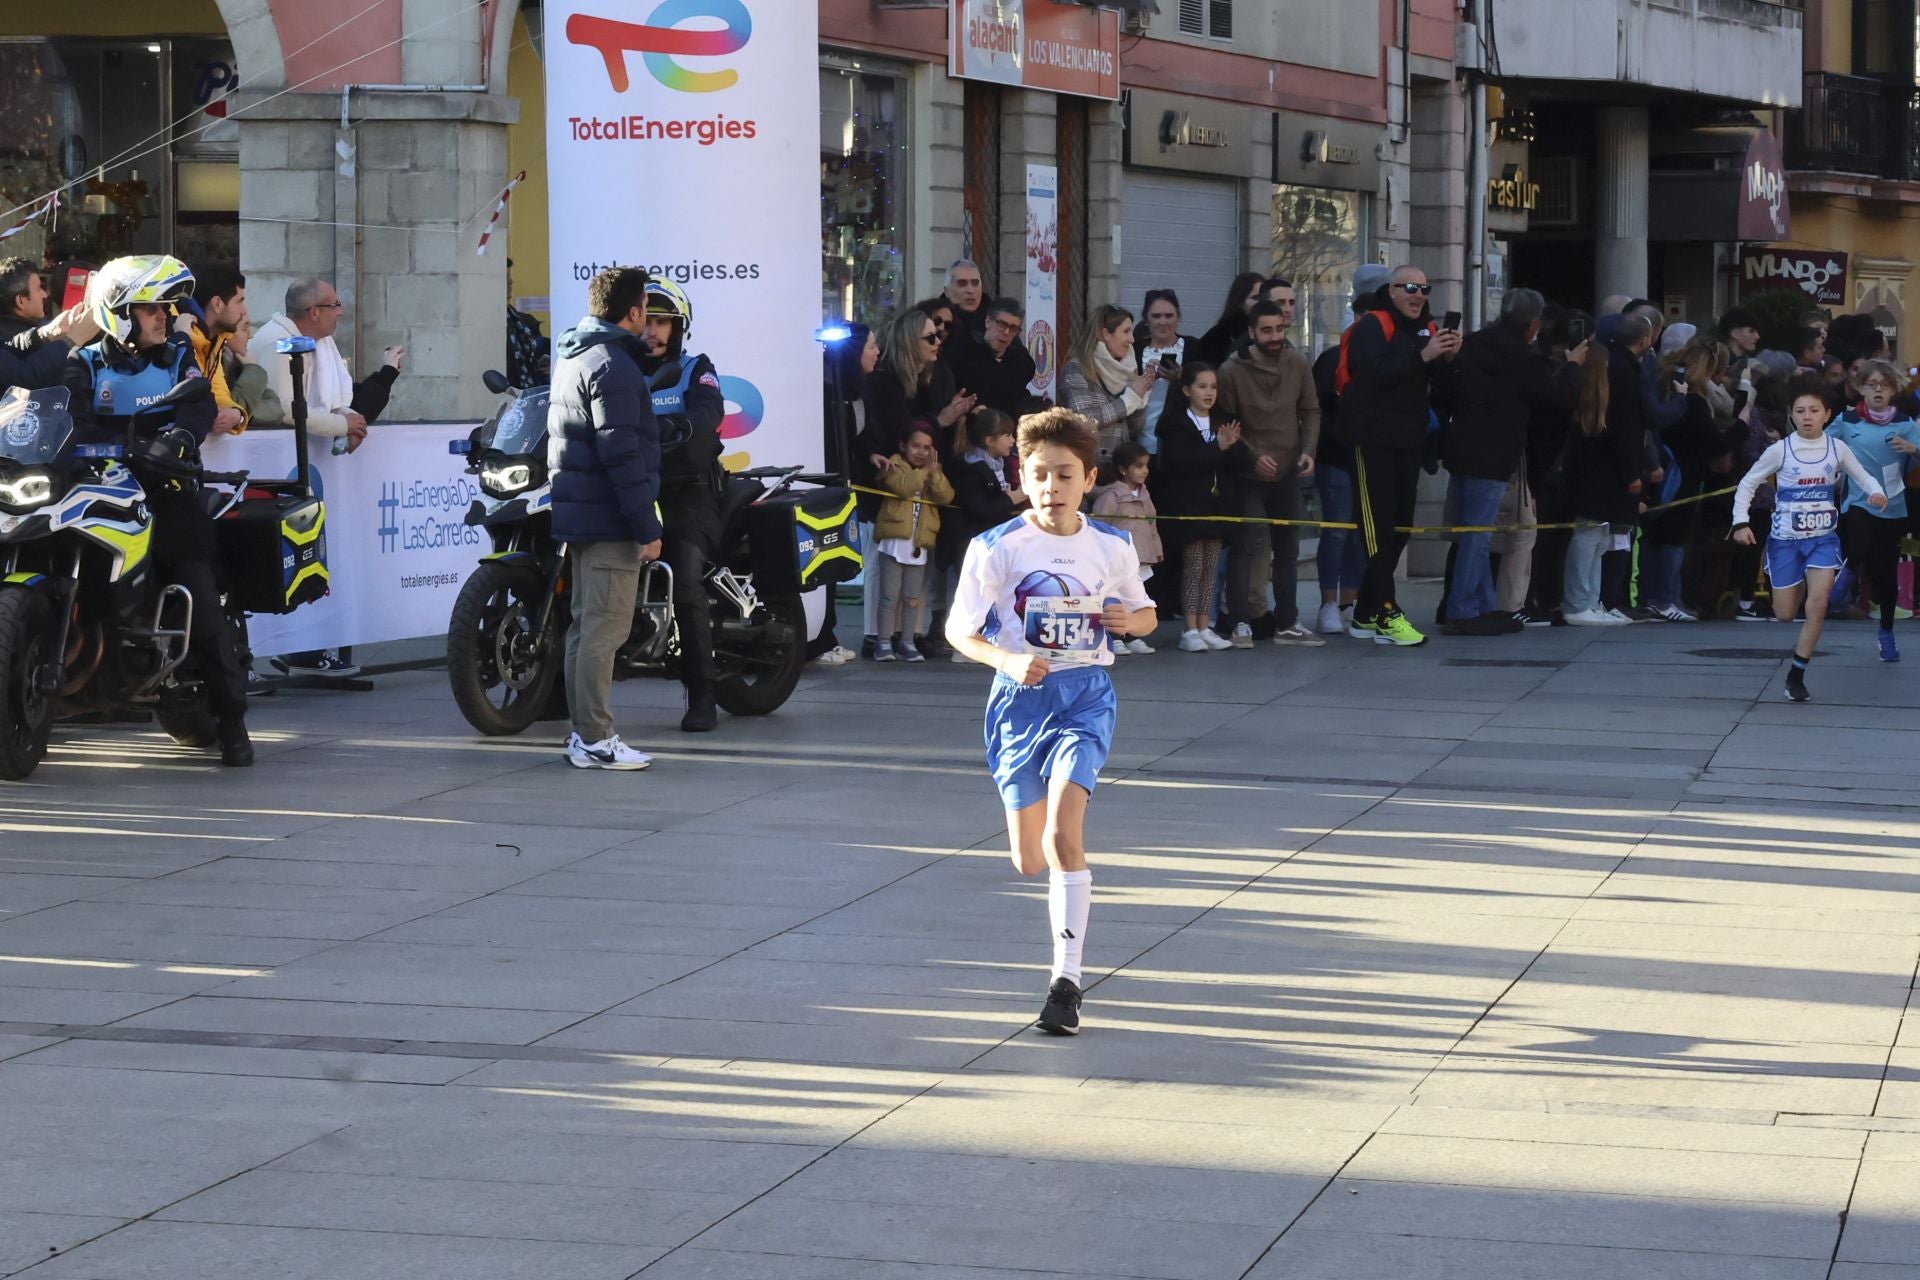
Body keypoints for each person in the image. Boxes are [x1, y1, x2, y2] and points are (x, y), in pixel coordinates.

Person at [944, 407, 1157, 1036]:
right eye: (1040, 474)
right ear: (1023, 474)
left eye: (1064, 475)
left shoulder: (1111, 546)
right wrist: (1007, 658)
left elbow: (1145, 614)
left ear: (1088, 479)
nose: (1051, 488)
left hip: (1085, 698)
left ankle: (1066, 982)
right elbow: (959, 631)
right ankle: (1062, 950)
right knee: (1029, 862)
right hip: (1018, 705)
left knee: (1066, 836)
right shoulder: (995, 547)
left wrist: (1127, 621)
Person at [63, 255, 251, 765]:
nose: (164, 317)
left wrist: (179, 436)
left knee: (199, 591)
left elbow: (200, 407)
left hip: (165, 491)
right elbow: (68, 417)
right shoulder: (84, 363)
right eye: (151, 309)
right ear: (121, 313)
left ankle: (233, 721)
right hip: (98, 493)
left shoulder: (176, 358)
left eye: (165, 309)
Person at [547, 266, 661, 769]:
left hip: (583, 514)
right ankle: (594, 738)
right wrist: (646, 526)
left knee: (585, 628)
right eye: (646, 311)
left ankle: (584, 735)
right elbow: (622, 455)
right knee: (603, 631)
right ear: (633, 311)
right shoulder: (614, 366)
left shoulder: (577, 356)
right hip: (610, 518)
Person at [1440, 288, 1583, 635]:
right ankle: (1461, 610)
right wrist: (1574, 367)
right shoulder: (1525, 360)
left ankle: (1484, 606)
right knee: (1478, 537)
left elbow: (1448, 389)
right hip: (1495, 456)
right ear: (1533, 325)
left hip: (1461, 451)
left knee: (1471, 536)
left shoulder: (1473, 344)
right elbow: (1559, 400)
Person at [1735, 375, 1885, 701]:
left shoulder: (1837, 448)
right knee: (1786, 614)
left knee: (1817, 607)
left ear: (1827, 414)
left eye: (1813, 410)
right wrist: (1740, 523)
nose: (1806, 417)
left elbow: (1863, 476)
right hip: (1785, 540)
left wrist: (1875, 492)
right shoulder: (1781, 450)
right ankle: (1795, 582)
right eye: (1800, 411)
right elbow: (1747, 483)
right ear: (1791, 414)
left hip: (1822, 539)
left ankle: (1796, 675)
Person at [1343, 265, 1459, 646]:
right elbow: (1372, 373)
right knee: (1376, 532)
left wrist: (1446, 359)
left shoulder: (1425, 329)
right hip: (1371, 440)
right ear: (1390, 290)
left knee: (1401, 528)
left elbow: (1442, 386)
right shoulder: (1372, 325)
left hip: (1408, 442)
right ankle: (1388, 611)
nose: (1419, 294)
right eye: (1410, 287)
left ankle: (1365, 612)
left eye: (1425, 287)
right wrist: (1422, 356)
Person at [636, 279, 727, 731]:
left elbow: (711, 411)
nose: (651, 331)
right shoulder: (619, 369)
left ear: (677, 327)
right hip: (634, 486)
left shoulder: (695, 369)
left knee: (684, 576)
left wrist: (686, 426)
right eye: (645, 321)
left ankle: (703, 694)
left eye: (661, 322)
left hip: (687, 489)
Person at [1213, 298, 1320, 646]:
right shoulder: (1231, 371)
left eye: (1279, 329)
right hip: (1247, 475)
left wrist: (1308, 451)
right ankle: (1239, 620)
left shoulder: (1298, 363)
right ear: (1251, 332)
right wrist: (1252, 457)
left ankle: (1288, 621)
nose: (1274, 336)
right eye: (1266, 330)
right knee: (1247, 544)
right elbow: (1226, 423)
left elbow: (1311, 411)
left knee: (1288, 548)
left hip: (1289, 469)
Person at [1309, 265, 1391, 635]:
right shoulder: (1331, 358)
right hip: (1339, 457)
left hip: (1372, 456)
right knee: (1338, 529)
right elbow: (1317, 408)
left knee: (1362, 533)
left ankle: (1350, 601)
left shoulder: (1385, 355)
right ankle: (1330, 602)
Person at [1827, 360, 1919, 661]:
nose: (1878, 389)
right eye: (1872, 384)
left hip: (1893, 507)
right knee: (1859, 545)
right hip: (1859, 500)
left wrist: (1913, 449)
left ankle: (1887, 633)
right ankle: (1846, 576)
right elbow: (1822, 445)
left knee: (1885, 576)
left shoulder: (1906, 422)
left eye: (1884, 384)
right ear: (1861, 388)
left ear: (1894, 389)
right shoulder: (1847, 420)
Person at [1155, 362, 1239, 652]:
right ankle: (1190, 628)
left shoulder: (1221, 421)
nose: (1209, 393)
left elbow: (1234, 458)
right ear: (1187, 390)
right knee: (1194, 566)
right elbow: (1183, 462)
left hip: (1217, 504)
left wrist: (1231, 448)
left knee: (1211, 567)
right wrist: (1219, 448)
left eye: (1213, 387)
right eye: (1202, 386)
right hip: (1189, 506)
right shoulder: (1175, 425)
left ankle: (1206, 625)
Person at [1560, 342, 1637, 627]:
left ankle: (1589, 601)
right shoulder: (1590, 408)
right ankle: (1579, 602)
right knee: (1588, 538)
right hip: (1591, 485)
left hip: (1596, 485)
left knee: (1598, 540)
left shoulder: (1597, 408)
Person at [813, 323, 876, 667]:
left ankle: (825, 635)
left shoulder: (856, 389)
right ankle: (819, 639)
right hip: (824, 489)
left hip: (844, 487)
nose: (876, 352)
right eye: (870, 346)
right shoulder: (826, 392)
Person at [872, 421, 955, 662]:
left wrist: (935, 474)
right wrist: (925, 472)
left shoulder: (932, 472)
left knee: (912, 597)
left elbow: (947, 496)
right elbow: (903, 488)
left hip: (918, 544)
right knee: (888, 596)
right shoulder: (893, 465)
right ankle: (883, 642)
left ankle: (907, 642)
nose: (921, 452)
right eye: (915, 445)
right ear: (903, 446)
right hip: (893, 543)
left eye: (927, 447)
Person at [1092, 441, 1163, 654]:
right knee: (1114, 597)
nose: (1145, 471)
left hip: (1140, 556)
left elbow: (1152, 523)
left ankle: (1132, 636)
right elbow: (1101, 526)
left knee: (1136, 597)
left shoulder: (1145, 493)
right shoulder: (1111, 496)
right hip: (1115, 559)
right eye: (1139, 466)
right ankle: (1114, 636)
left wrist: (1156, 548)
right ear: (1123, 469)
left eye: (1146, 465)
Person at [1060, 303, 1154, 461]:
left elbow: (1133, 430)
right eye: (1126, 331)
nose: (1132, 339)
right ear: (1105, 334)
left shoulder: (1127, 368)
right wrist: (1129, 400)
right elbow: (1083, 419)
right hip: (1091, 467)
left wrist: (1141, 398)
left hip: (1120, 467)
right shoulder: (1077, 369)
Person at [185, 264, 251, 437]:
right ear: (217, 303)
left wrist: (236, 414)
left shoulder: (215, 340)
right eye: (240, 301)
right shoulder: (183, 338)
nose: (244, 312)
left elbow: (218, 392)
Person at [946, 297, 1036, 417]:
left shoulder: (1020, 361)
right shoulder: (961, 356)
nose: (1006, 332)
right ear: (988, 321)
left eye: (1013, 329)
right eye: (1002, 324)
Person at [1134, 289, 1191, 447]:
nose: (1163, 322)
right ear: (1146, 319)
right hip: (1141, 442)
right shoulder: (1133, 351)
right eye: (1156, 316)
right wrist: (1143, 382)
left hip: (1183, 441)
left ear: (1178, 317)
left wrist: (1181, 380)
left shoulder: (1194, 348)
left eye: (1169, 315)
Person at [1191, 272, 1265, 370]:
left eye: (1264, 297)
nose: (1261, 303)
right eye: (1255, 298)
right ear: (1240, 301)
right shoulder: (1218, 336)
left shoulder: (1273, 332)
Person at [505, 259, 549, 388]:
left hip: (530, 398)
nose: (510, 282)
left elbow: (540, 351)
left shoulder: (525, 323)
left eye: (509, 276)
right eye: (505, 277)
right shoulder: (488, 326)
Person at [0, 256, 49, 341]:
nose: (45, 295)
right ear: (21, 301)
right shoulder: (37, 344)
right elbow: (77, 353)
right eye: (38, 289)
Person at [942, 259, 988, 344]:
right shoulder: (933, 324)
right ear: (947, 291)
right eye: (962, 284)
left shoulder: (996, 321)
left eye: (975, 283)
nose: (970, 290)